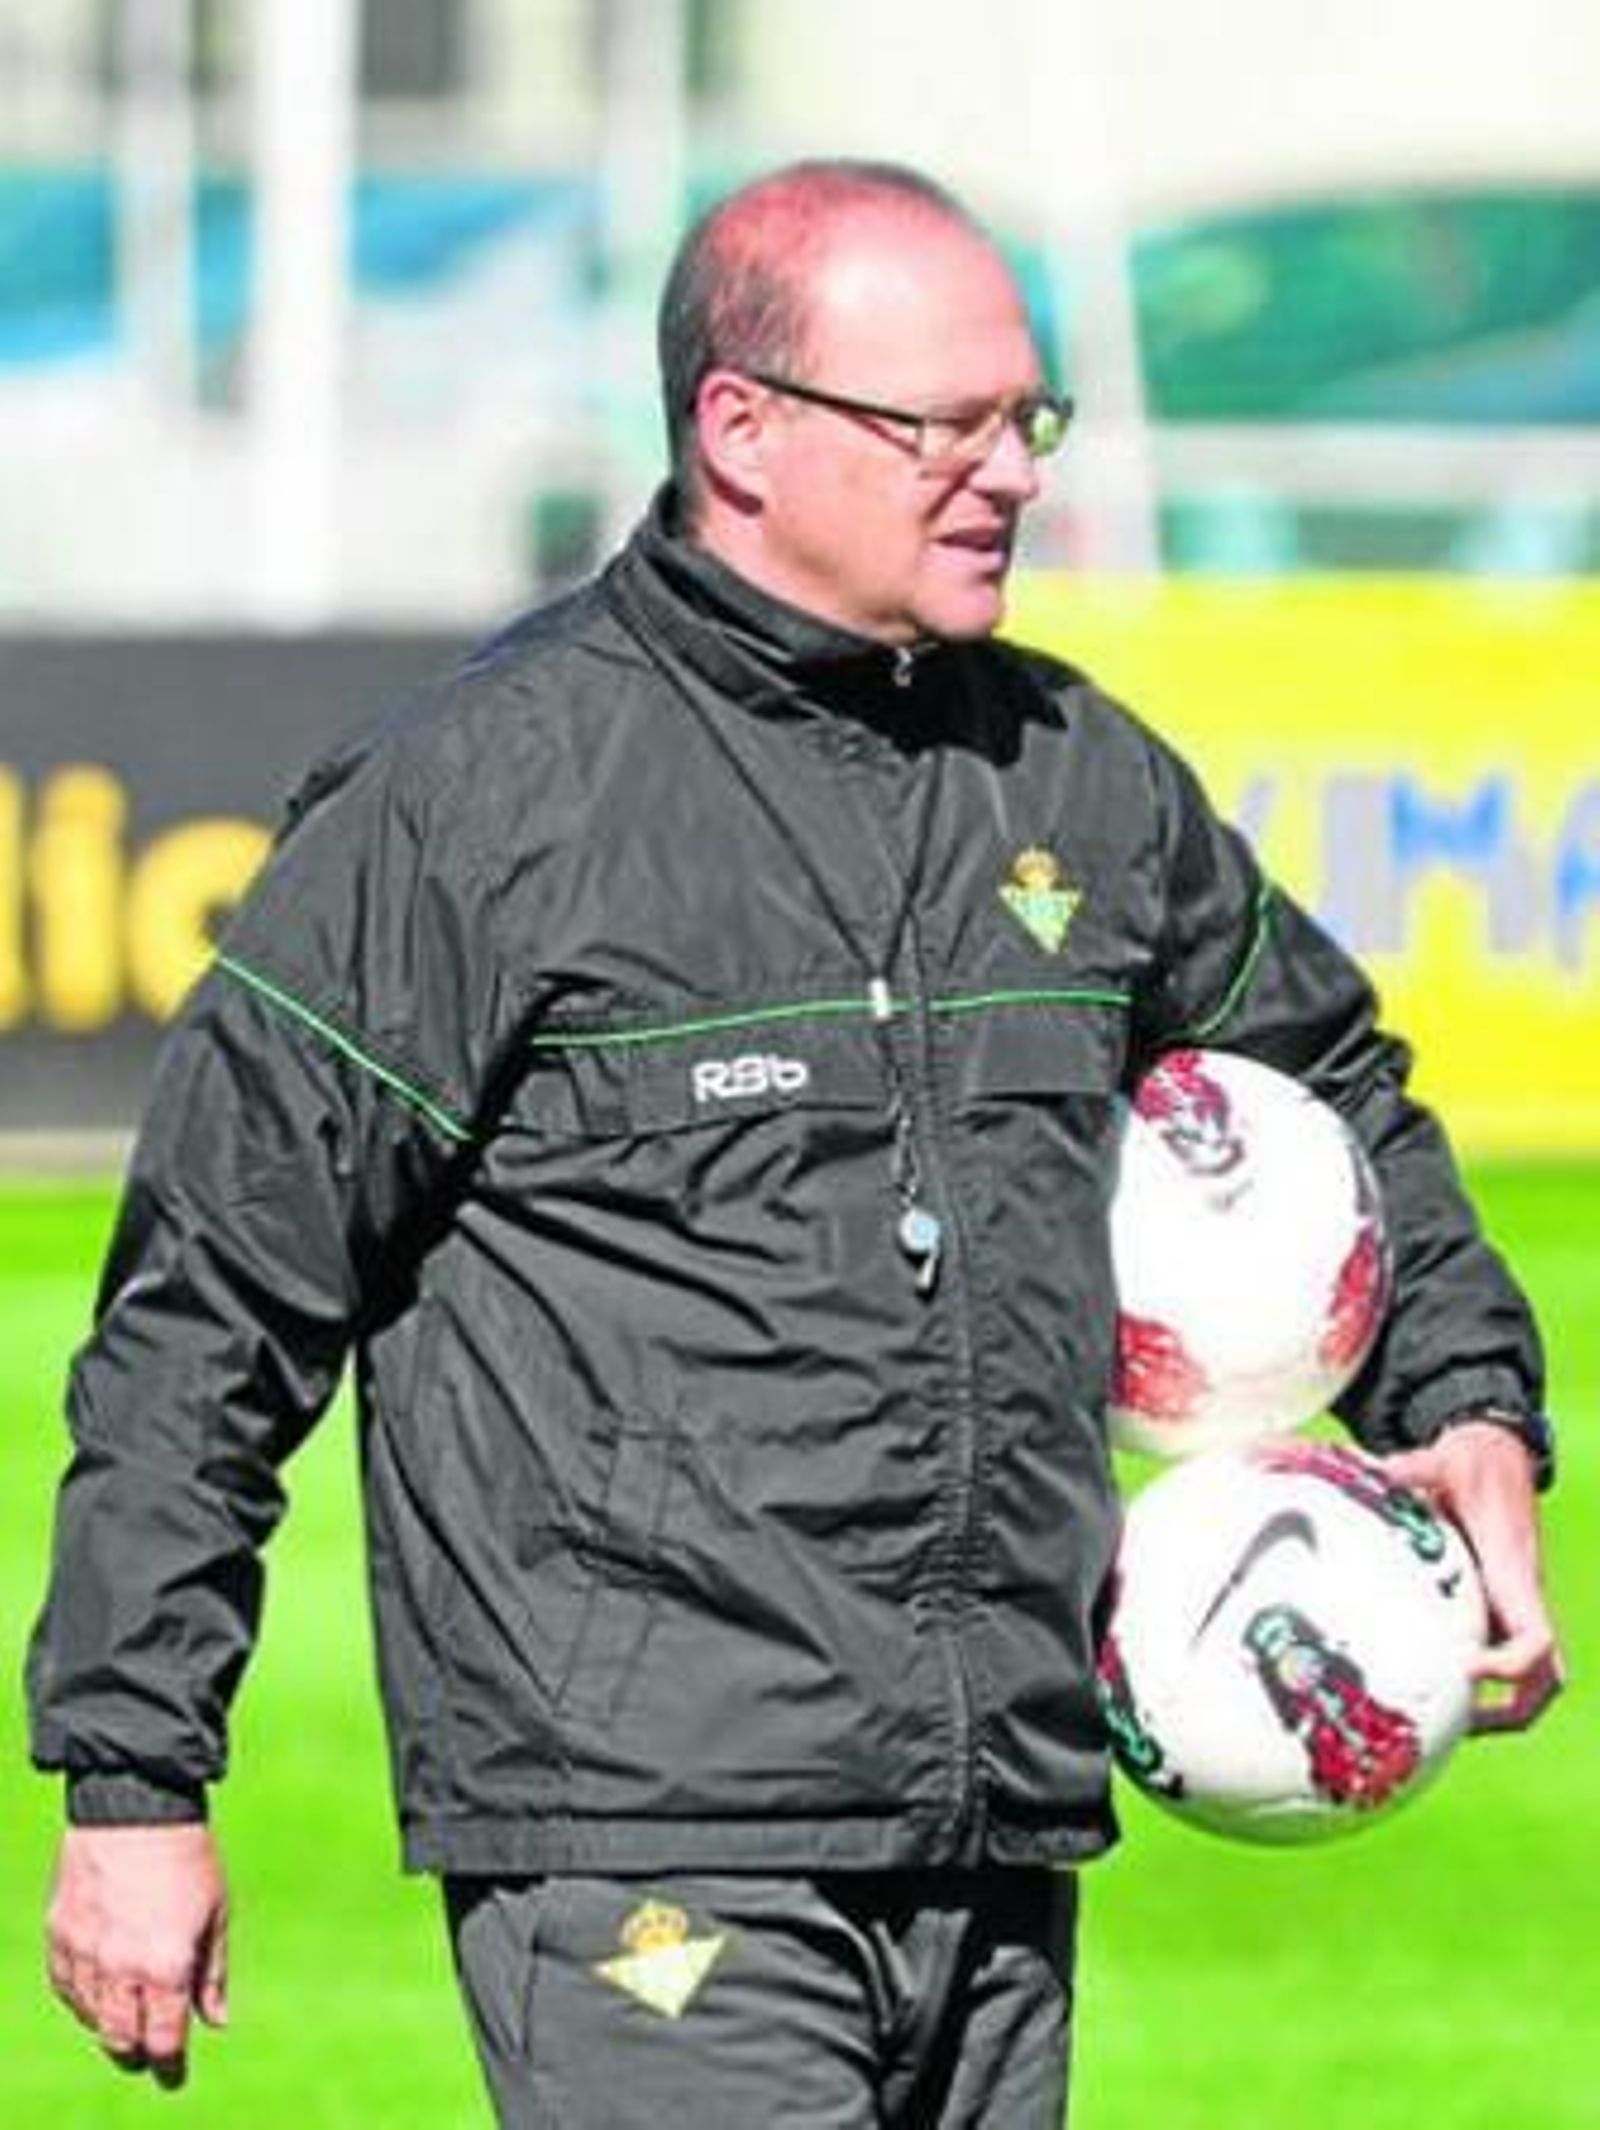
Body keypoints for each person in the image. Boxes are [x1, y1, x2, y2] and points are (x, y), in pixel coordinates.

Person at [29, 158, 1562, 2127]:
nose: (1008, 472)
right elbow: (210, 1308)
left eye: (1028, 419)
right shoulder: (475, 803)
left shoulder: (1076, 779)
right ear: (737, 430)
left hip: (995, 1825)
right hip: (644, 1844)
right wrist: (134, 1780)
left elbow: (1331, 1080)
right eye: (944, 426)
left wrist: (1460, 1405)